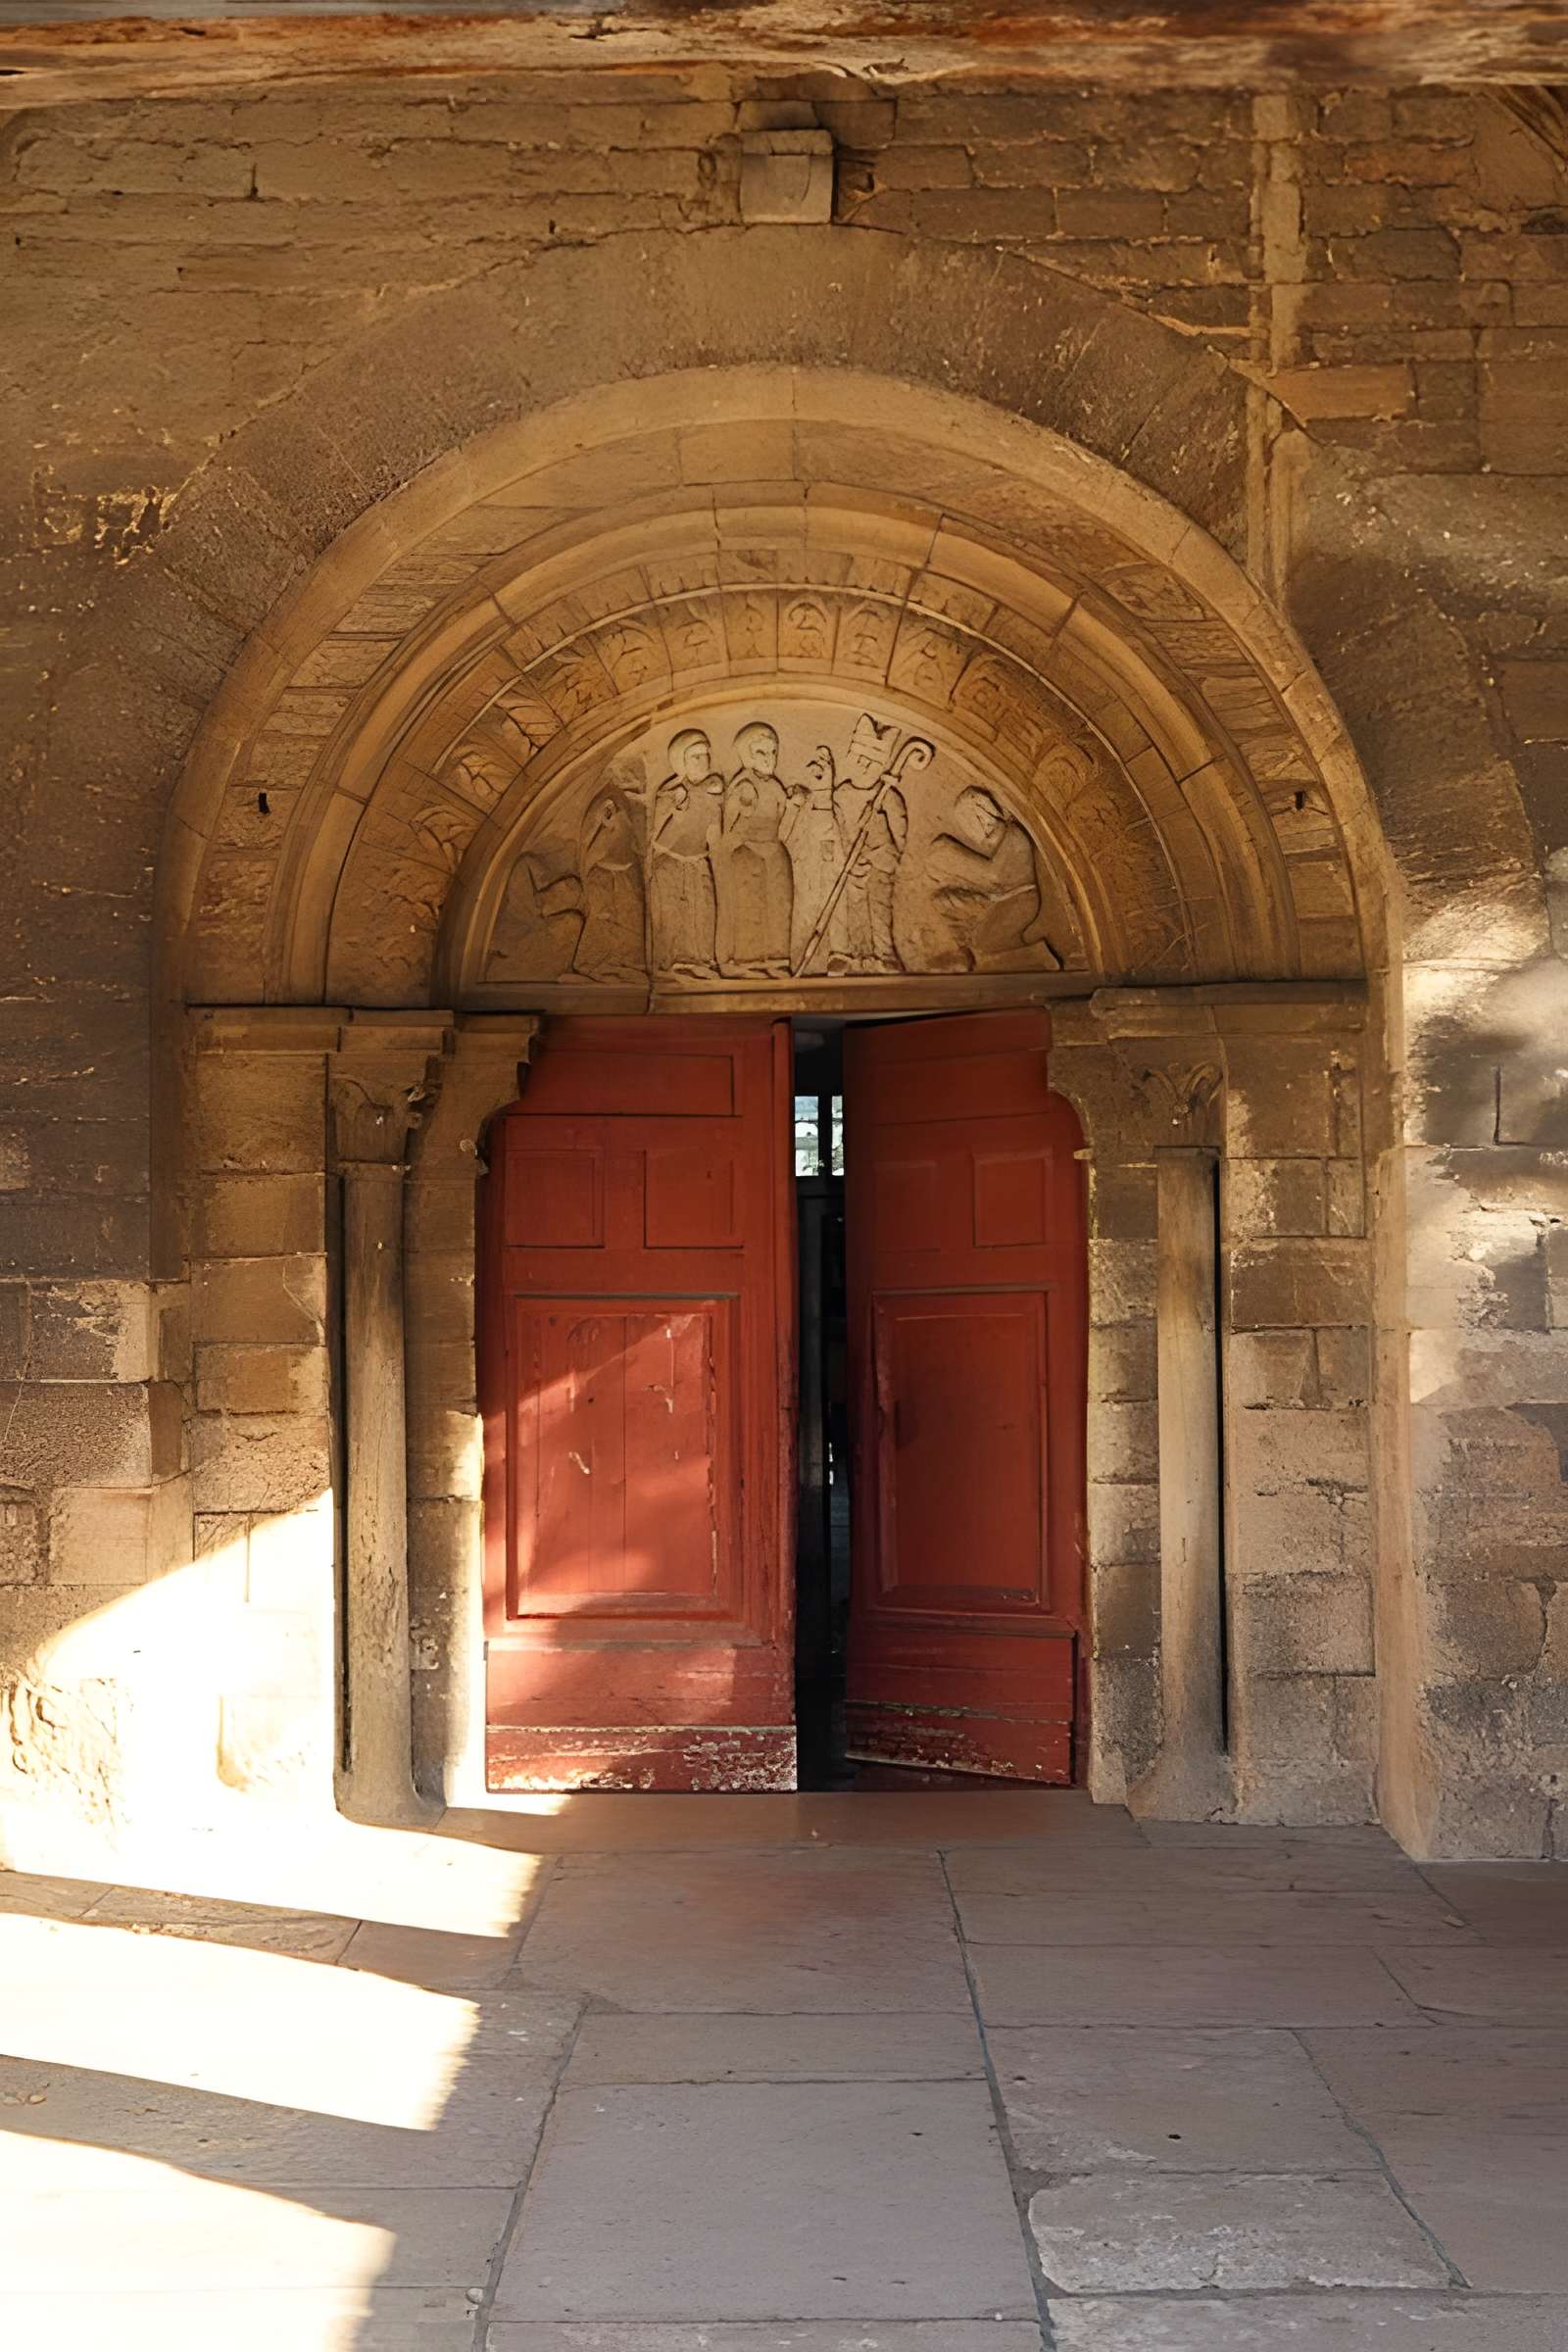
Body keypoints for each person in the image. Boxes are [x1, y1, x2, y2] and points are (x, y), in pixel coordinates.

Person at [714, 721, 794, 977]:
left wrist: (795, 805)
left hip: (774, 850)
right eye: (761, 752)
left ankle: (777, 958)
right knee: (750, 905)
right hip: (748, 851)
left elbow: (783, 822)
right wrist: (745, 813)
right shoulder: (742, 786)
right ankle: (749, 960)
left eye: (773, 752)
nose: (769, 758)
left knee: (779, 904)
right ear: (747, 756)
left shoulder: (776, 786)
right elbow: (729, 828)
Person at [648, 727, 721, 977]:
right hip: (671, 863)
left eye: (705, 755)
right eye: (695, 757)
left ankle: (702, 961)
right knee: (674, 912)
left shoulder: (712, 792)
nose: (703, 762)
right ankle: (673, 961)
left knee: (704, 910)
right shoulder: (670, 793)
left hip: (699, 862)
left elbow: (715, 835)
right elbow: (657, 838)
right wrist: (678, 810)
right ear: (682, 762)